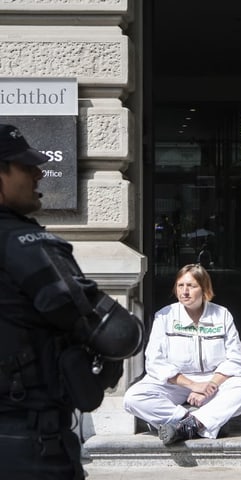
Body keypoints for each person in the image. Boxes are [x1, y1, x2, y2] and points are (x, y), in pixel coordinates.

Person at [0, 124, 144, 479]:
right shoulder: (25, 244)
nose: (38, 173)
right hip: (26, 443)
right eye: (24, 166)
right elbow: (117, 334)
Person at [123, 263, 241, 445]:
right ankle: (198, 423)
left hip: (212, 381)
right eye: (180, 286)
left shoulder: (221, 315)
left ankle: (185, 426)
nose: (184, 292)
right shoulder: (164, 316)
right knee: (133, 398)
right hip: (176, 382)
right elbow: (154, 362)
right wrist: (193, 385)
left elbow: (237, 360)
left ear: (204, 289)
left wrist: (209, 386)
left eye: (191, 286)